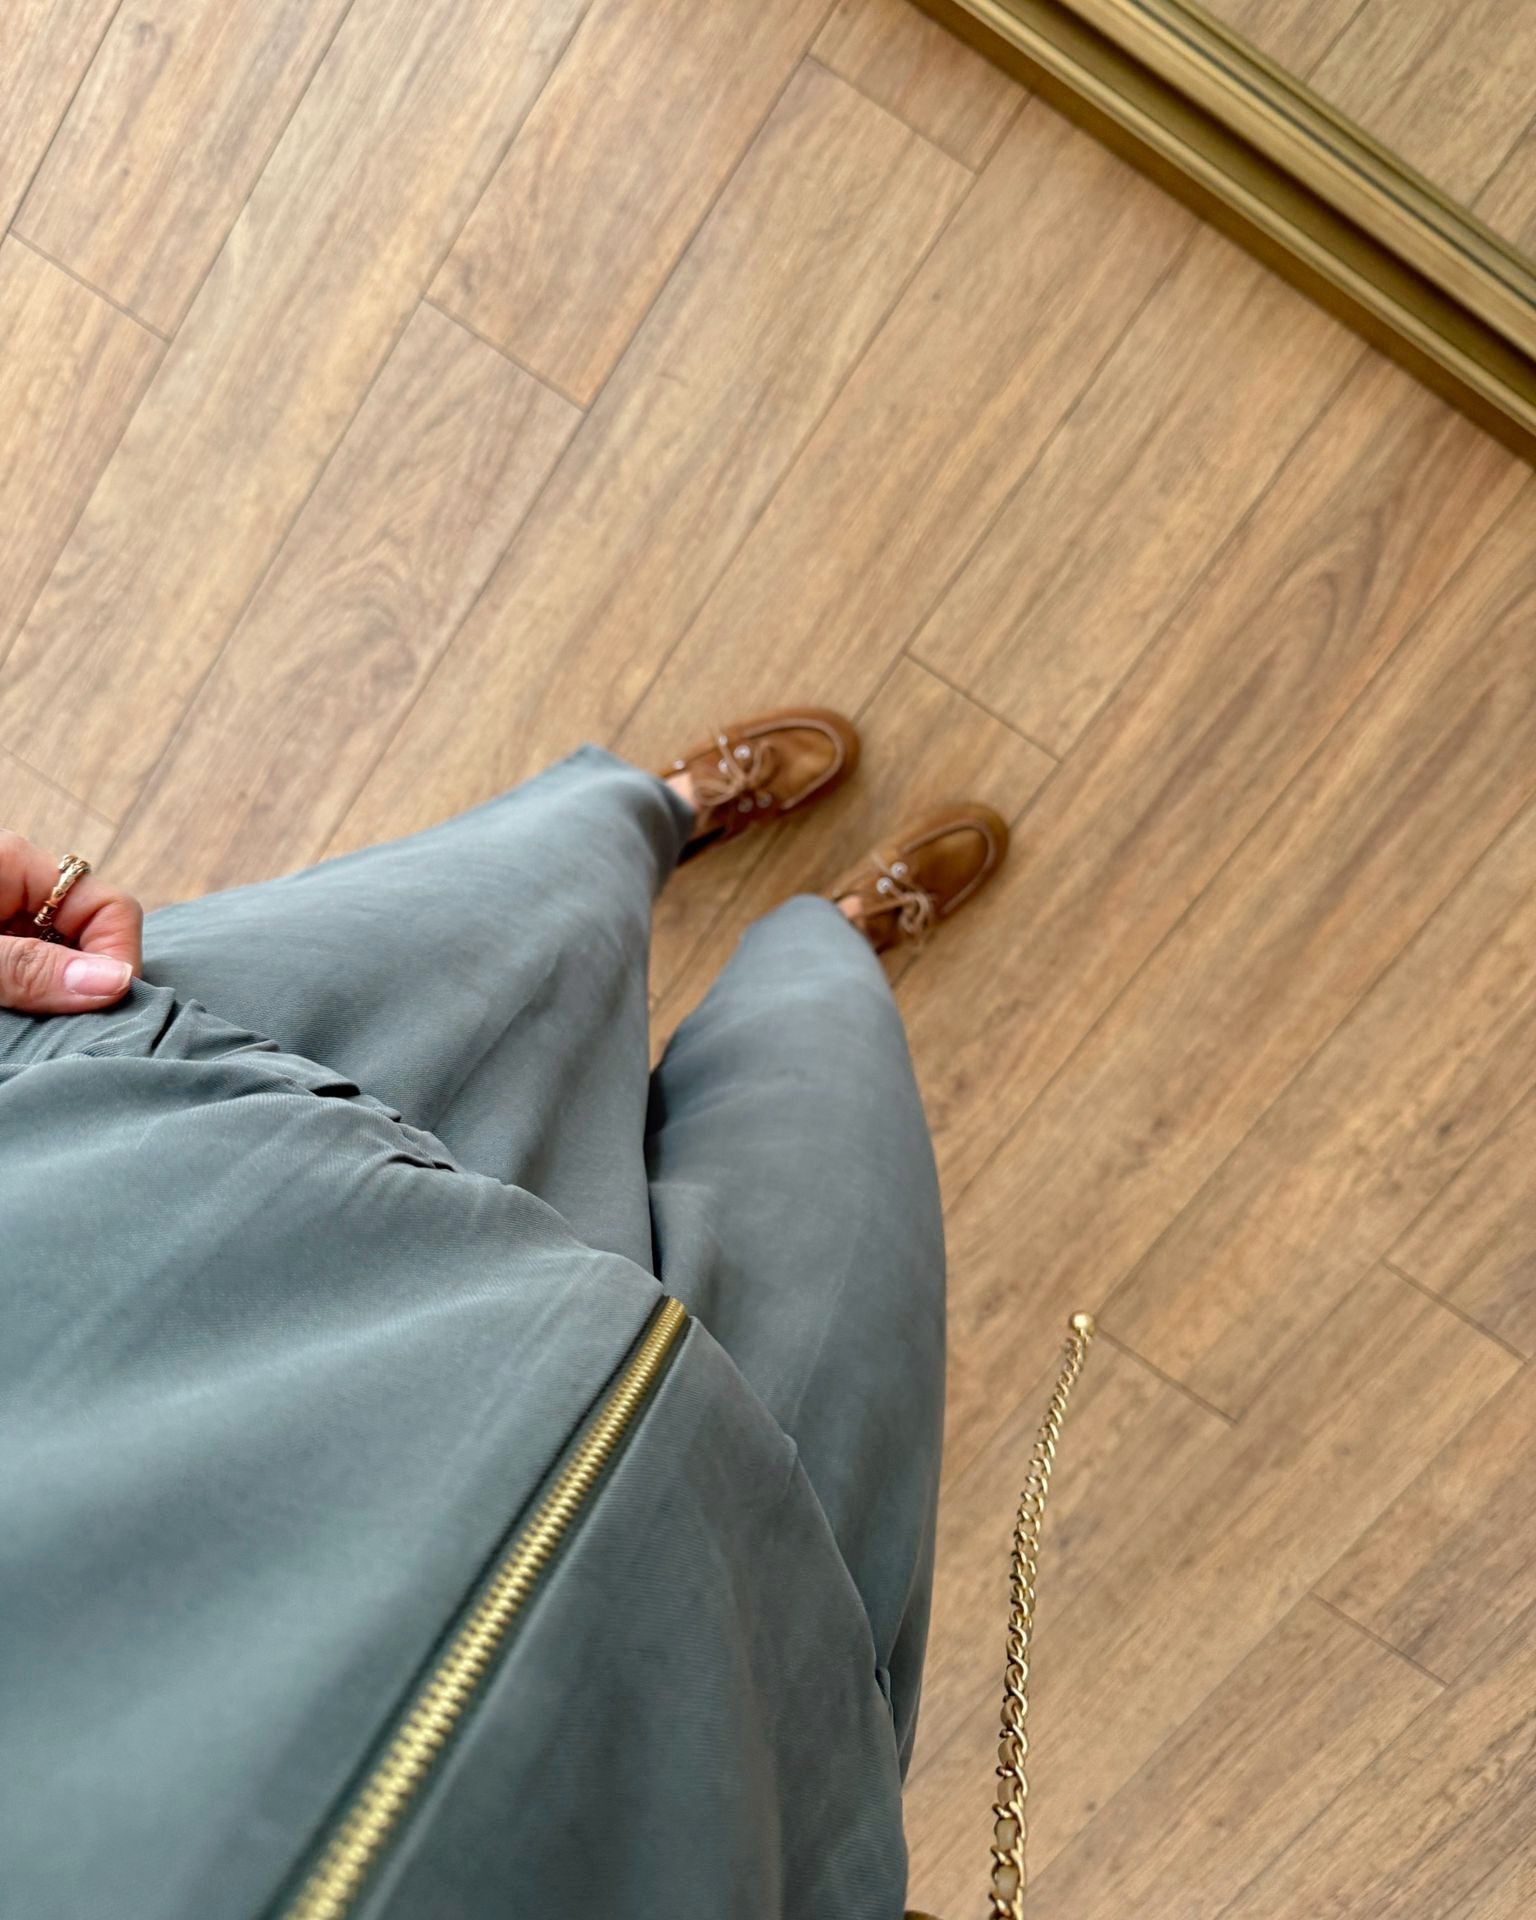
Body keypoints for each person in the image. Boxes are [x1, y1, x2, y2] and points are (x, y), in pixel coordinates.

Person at [0, 711, 1007, 1920]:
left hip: (165, 1169)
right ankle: (832, 940)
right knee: (830, 1059)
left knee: (541, 883)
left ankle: (668, 811)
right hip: (741, 1628)